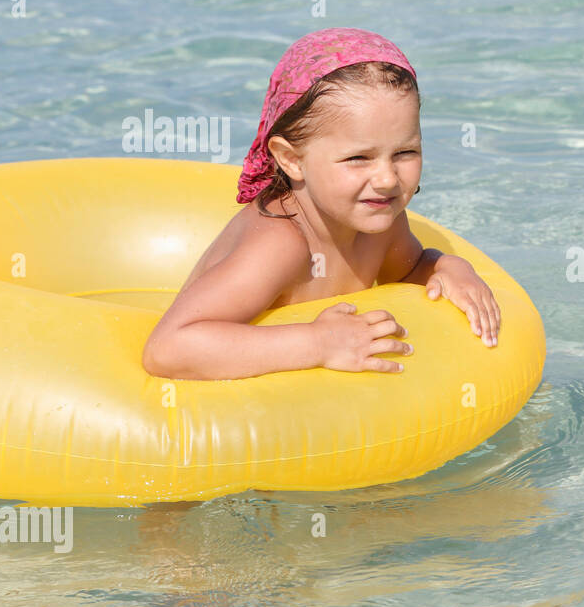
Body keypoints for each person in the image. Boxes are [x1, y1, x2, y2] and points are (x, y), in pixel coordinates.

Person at [142, 27, 500, 380]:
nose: (388, 179)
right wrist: (318, 343)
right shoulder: (280, 244)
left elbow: (405, 271)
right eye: (359, 158)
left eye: (405, 152)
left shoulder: (382, 221)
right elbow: (169, 348)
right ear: (292, 159)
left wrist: (444, 267)